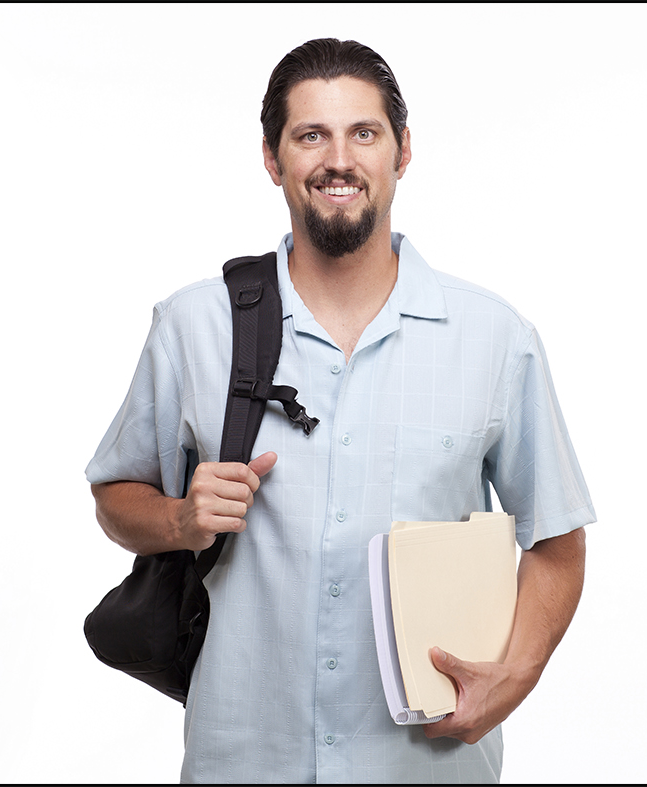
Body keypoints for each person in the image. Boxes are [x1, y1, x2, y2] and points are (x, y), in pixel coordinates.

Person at [86, 38, 591, 783]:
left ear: (402, 151)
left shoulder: (495, 339)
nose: (339, 160)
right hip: (242, 759)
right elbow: (114, 492)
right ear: (272, 158)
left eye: (364, 132)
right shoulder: (193, 325)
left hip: (428, 763)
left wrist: (516, 673)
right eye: (310, 135)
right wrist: (177, 521)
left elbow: (557, 538)